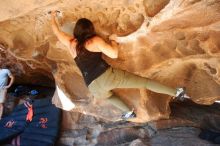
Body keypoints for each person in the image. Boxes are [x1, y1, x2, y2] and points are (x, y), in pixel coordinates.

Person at [50, 11, 190, 120]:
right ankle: (176, 92)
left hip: (92, 86)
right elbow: (113, 54)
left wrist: (52, 16)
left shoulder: (72, 43)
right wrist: (113, 41)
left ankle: (128, 113)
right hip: (107, 76)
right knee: (145, 83)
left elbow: (56, 31)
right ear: (90, 30)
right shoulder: (94, 41)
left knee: (109, 97)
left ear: (77, 30)